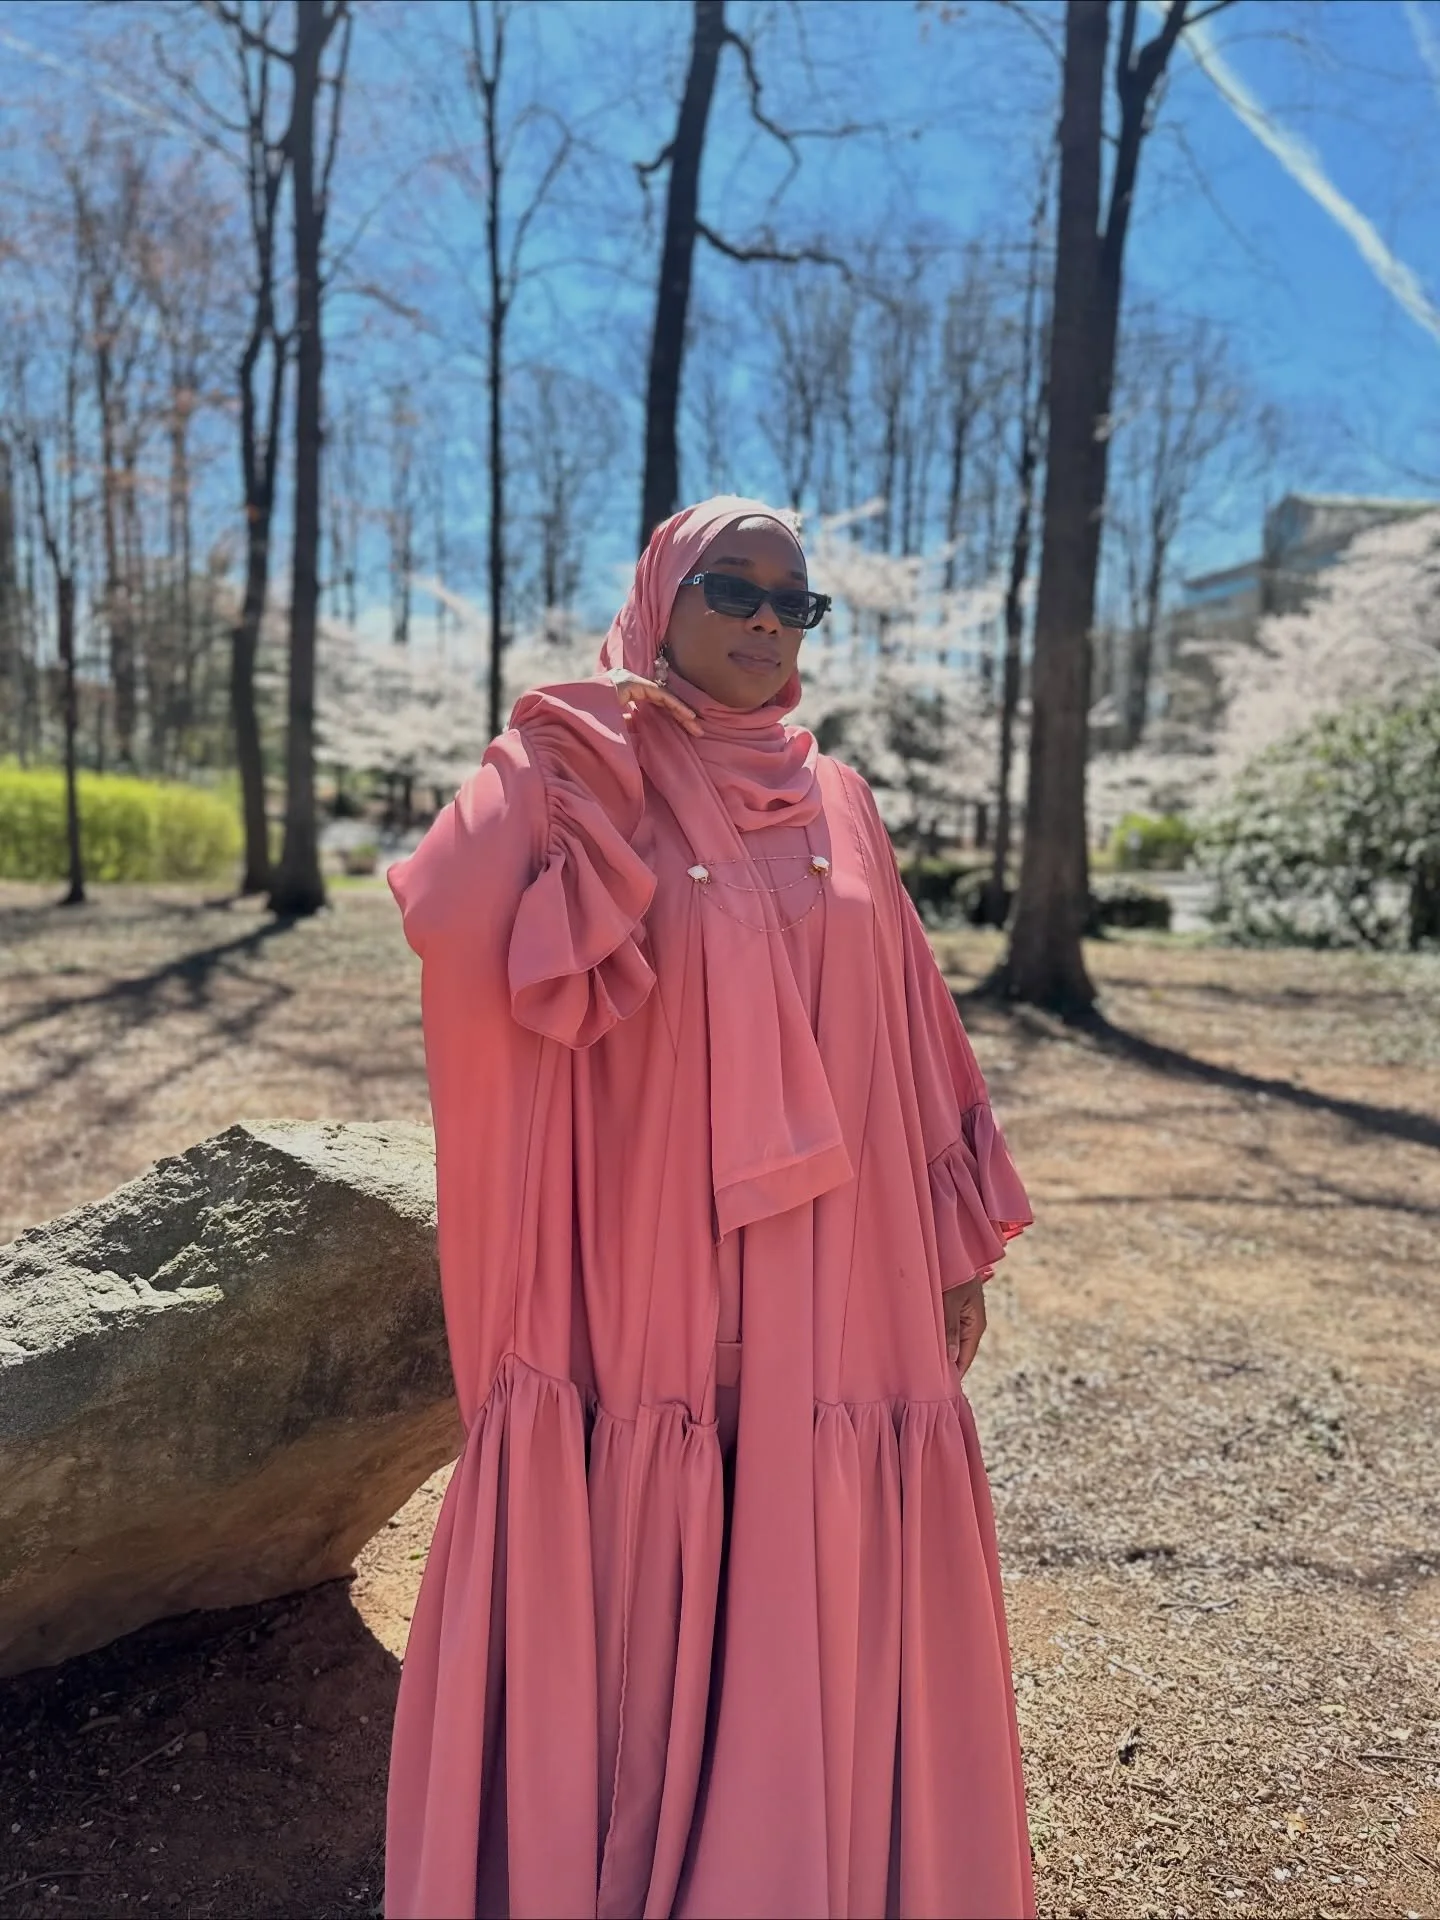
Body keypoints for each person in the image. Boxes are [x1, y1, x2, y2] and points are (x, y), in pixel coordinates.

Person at [384, 496, 1034, 1920]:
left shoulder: (842, 799)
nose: (764, 622)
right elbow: (448, 912)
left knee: (807, 1518)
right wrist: (554, 747)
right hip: (647, 1245)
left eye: (793, 603)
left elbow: (911, 1026)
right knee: (655, 1520)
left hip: (841, 1254)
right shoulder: (586, 773)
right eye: (731, 589)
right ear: (659, 602)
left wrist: (950, 1247)